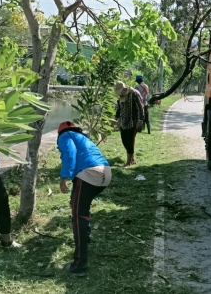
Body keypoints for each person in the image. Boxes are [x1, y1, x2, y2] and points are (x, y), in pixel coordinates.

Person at [57, 121, 111, 277]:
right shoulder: (83, 138)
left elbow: (70, 153)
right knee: (81, 207)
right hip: (106, 173)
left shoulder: (65, 136)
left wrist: (64, 177)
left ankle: (79, 264)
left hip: (89, 174)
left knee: (78, 215)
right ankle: (85, 239)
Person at [114, 80, 144, 168]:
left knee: (129, 142)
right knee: (124, 141)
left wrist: (140, 121)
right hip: (123, 122)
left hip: (132, 122)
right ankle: (132, 158)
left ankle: (128, 163)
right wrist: (115, 119)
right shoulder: (121, 96)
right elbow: (119, 108)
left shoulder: (134, 93)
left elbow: (141, 107)